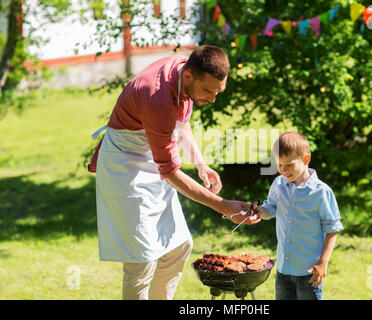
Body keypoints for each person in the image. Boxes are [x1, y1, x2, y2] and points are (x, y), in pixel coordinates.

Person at [87, 45, 259, 300]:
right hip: (126, 169)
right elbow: (169, 172)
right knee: (141, 261)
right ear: (189, 76)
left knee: (179, 246)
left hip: (152, 156)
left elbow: (181, 123)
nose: (213, 98)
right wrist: (223, 205)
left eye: (218, 91)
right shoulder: (157, 98)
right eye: (208, 91)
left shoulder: (183, 71)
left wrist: (201, 164)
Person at [257, 131, 343, 300]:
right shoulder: (278, 184)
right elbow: (269, 210)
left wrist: (323, 263)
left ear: (306, 160)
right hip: (283, 270)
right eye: (279, 165)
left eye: (289, 164)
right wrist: (258, 211)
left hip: (309, 272)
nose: (283, 170)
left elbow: (333, 229)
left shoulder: (321, 192)